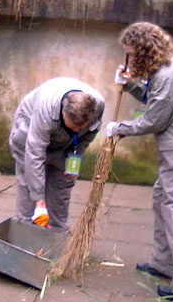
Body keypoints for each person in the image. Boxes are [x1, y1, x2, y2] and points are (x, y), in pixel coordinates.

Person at [106, 22, 173, 302]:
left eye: (130, 53)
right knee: (162, 197)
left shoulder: (168, 74)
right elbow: (155, 101)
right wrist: (130, 85)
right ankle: (164, 264)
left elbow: (155, 119)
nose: (127, 59)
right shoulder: (162, 68)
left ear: (143, 51)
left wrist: (120, 128)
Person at [9, 77, 105, 234]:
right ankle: (24, 234)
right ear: (63, 112)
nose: (76, 130)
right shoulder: (45, 109)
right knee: (29, 188)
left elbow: (84, 141)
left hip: (64, 147)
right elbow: (34, 155)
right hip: (28, 137)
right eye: (73, 125)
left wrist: (72, 166)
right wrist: (39, 202)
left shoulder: (97, 106)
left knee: (62, 189)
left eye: (80, 127)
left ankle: (58, 238)